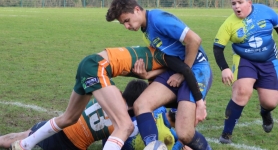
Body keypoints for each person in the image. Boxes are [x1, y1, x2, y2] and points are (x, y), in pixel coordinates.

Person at [10, 46, 200, 150]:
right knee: (124, 126)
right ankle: (25, 143)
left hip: (90, 64)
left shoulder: (114, 93)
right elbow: (186, 69)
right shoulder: (173, 60)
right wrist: (199, 101)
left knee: (68, 117)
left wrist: (147, 76)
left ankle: (25, 145)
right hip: (96, 70)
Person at [106, 0, 213, 150]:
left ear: (137, 10)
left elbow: (194, 40)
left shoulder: (158, 19)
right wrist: (149, 75)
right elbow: (167, 60)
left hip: (196, 69)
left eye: (127, 21)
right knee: (141, 105)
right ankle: (154, 146)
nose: (127, 26)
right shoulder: (146, 30)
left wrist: (183, 73)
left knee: (184, 134)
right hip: (175, 70)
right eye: (123, 24)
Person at [3, 79, 186, 150]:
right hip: (68, 145)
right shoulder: (124, 125)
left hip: (60, 126)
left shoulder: (107, 94)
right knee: (19, 140)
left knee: (21, 136)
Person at [213, 0, 278, 144]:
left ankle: (265, 112)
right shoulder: (229, 24)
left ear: (249, 3)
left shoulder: (266, 12)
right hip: (245, 60)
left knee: (270, 102)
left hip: (269, 60)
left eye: (240, 2)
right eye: (233, 4)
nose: (236, 6)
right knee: (242, 91)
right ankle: (226, 134)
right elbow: (217, 48)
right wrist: (225, 68)